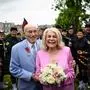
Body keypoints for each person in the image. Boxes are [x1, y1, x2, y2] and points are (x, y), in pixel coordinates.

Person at [9, 24, 42, 90]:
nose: (33, 34)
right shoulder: (16, 48)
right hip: (26, 86)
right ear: (24, 33)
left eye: (35, 31)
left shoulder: (43, 45)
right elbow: (14, 69)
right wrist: (31, 76)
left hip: (43, 86)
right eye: (30, 32)